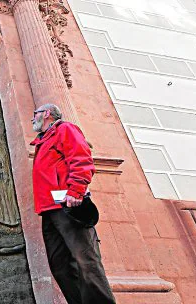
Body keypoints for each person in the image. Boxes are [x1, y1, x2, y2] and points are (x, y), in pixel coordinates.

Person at [30, 104, 116, 304]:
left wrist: (76, 190)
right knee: (60, 265)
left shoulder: (65, 129)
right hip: (49, 209)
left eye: (35, 114)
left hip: (68, 205)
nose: (32, 119)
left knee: (86, 261)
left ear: (47, 114)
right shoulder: (43, 140)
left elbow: (81, 158)